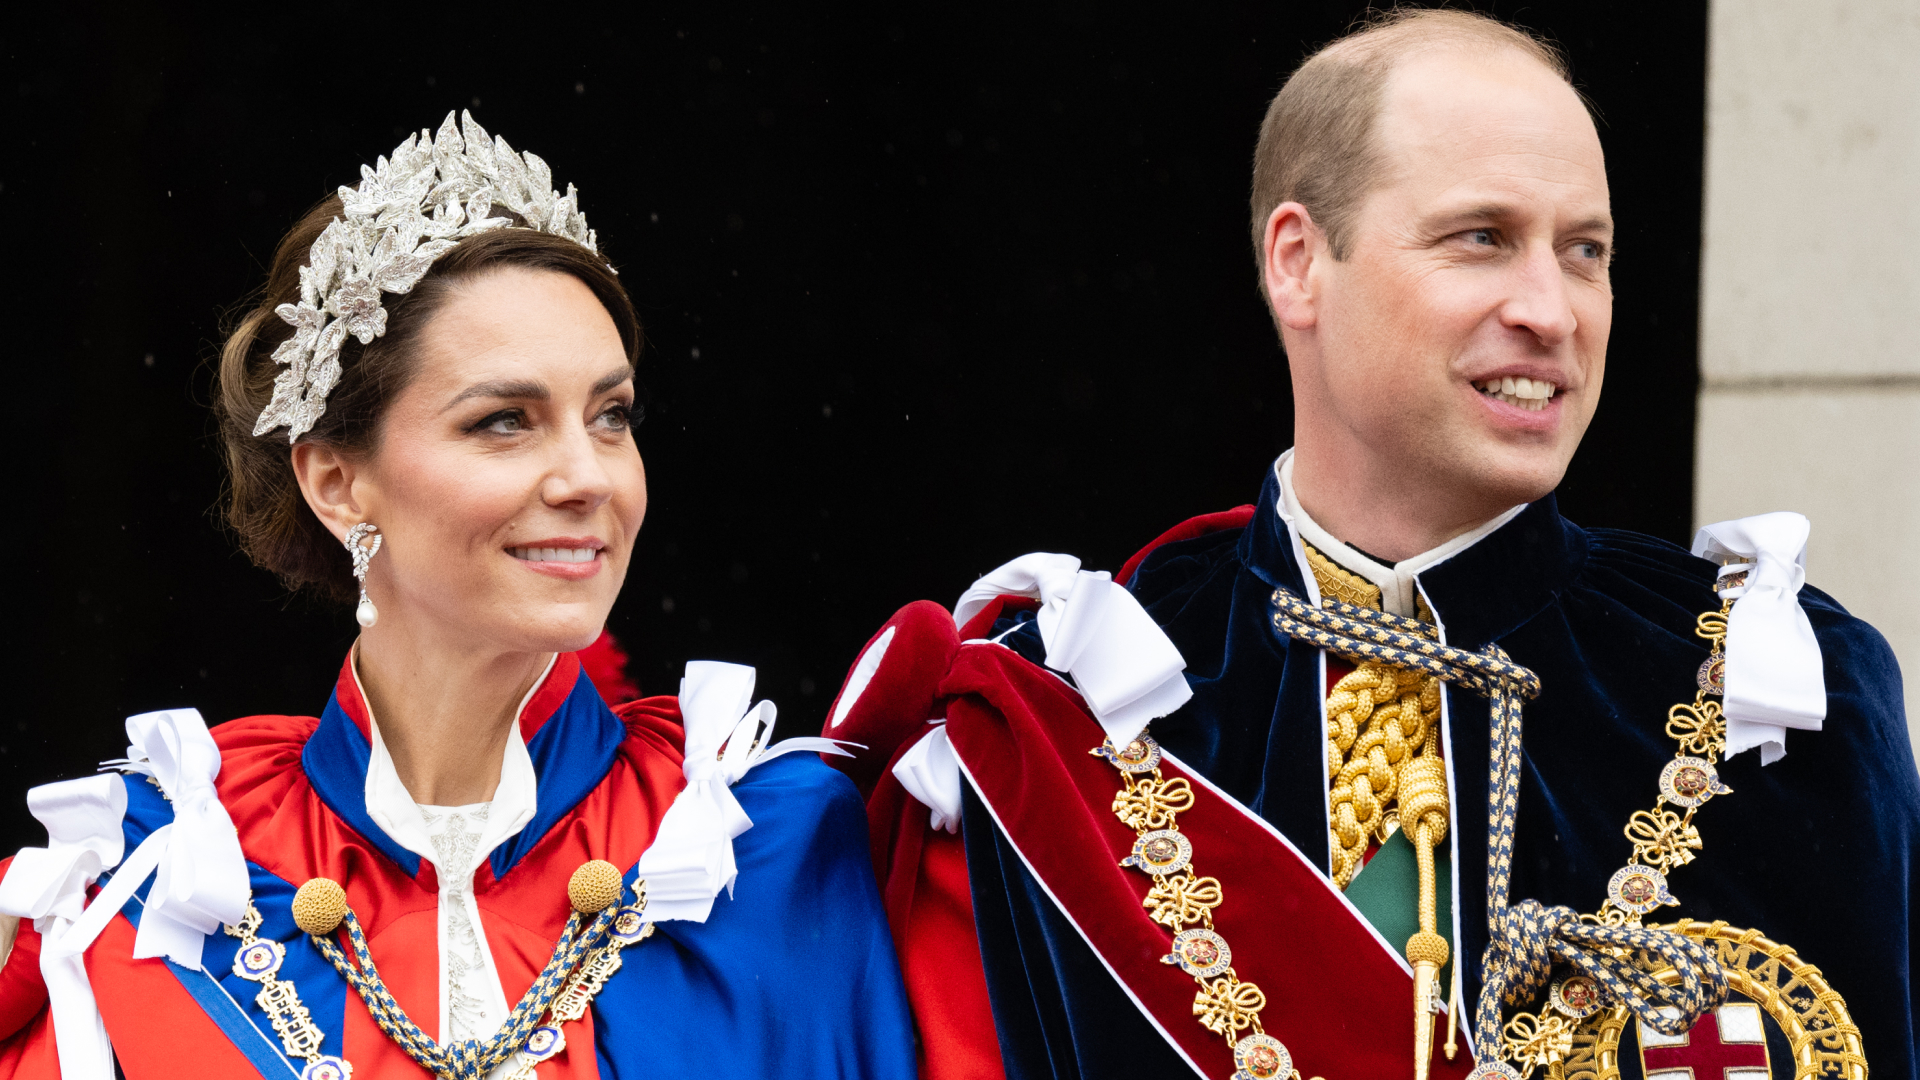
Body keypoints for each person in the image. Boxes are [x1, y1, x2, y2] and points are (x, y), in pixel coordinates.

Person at [822, 10, 1913, 1080]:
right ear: (1298, 262)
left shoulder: (1783, 694)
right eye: (1481, 237)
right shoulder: (1054, 712)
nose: (1552, 308)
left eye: (1586, 251)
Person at [0, 112, 915, 1079]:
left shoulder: (758, 848)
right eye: (505, 422)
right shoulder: (160, 881)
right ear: (337, 484)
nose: (587, 476)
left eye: (611, 417)